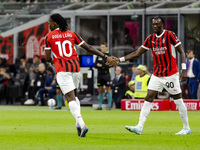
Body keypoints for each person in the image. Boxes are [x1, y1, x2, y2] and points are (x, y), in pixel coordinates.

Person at [110, 16, 190, 135]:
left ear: (162, 25)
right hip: (157, 74)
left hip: (170, 74)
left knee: (178, 99)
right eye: (153, 24)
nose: (155, 26)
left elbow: (181, 51)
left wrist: (184, 70)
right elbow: (137, 53)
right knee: (149, 97)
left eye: (157, 24)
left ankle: (186, 127)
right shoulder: (150, 39)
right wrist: (120, 59)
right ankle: (139, 126)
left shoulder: (170, 35)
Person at [44, 13, 116, 137]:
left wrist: (53, 61)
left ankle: (82, 125)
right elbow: (89, 48)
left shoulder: (49, 37)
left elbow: (47, 58)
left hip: (63, 70)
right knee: (75, 96)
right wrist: (105, 56)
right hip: (75, 68)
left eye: (49, 23)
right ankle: (78, 124)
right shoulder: (72, 34)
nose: (48, 25)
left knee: (70, 98)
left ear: (54, 23)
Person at [94, 42, 112, 110]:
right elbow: (95, 65)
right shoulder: (99, 55)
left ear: (106, 48)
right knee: (100, 90)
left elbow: (108, 65)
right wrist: (102, 66)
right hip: (100, 74)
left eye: (103, 47)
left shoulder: (109, 55)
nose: (102, 48)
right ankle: (100, 106)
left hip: (106, 74)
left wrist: (101, 65)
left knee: (108, 89)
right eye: (101, 47)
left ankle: (109, 105)